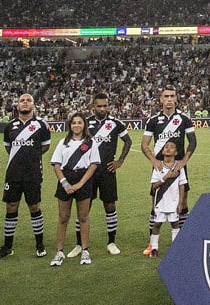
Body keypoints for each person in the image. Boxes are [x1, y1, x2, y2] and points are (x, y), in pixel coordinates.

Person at [0, 92, 51, 260]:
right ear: (17, 105)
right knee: (11, 207)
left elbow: (44, 147)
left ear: (33, 105)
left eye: (28, 100)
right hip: (13, 173)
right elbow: (8, 148)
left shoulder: (41, 125)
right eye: (22, 101)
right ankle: (7, 246)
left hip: (32, 173)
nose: (25, 103)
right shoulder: (10, 126)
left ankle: (39, 245)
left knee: (34, 207)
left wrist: (31, 157)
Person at [141, 86, 198, 239]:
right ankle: (151, 241)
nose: (169, 99)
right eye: (166, 96)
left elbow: (192, 142)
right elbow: (144, 144)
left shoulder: (184, 119)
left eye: (172, 96)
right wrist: (153, 160)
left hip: (178, 166)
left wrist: (183, 161)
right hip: (160, 167)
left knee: (183, 202)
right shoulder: (153, 120)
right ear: (161, 99)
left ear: (176, 99)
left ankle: (183, 239)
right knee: (155, 203)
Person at [83, 92, 132, 257]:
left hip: (107, 170)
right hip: (88, 171)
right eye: (99, 106)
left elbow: (128, 141)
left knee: (110, 206)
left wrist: (120, 161)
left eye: (105, 106)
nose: (102, 109)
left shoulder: (115, 123)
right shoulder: (85, 123)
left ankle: (111, 242)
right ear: (93, 107)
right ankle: (79, 244)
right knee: (84, 207)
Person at [50, 114, 100, 267]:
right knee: (63, 217)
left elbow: (93, 164)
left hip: (83, 179)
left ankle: (85, 250)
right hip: (66, 178)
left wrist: (80, 183)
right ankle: (59, 252)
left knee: (83, 217)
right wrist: (65, 183)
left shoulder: (91, 143)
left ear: (84, 125)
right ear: (70, 125)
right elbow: (56, 164)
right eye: (74, 123)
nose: (76, 125)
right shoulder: (63, 143)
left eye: (79, 123)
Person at [146, 140, 186, 257]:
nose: (168, 149)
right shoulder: (158, 167)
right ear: (162, 151)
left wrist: (181, 203)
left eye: (171, 147)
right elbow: (154, 186)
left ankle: (175, 247)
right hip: (160, 202)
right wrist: (166, 177)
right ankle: (154, 248)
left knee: (175, 223)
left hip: (174, 201)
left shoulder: (179, 167)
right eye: (166, 147)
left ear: (176, 152)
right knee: (157, 224)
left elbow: (182, 185)